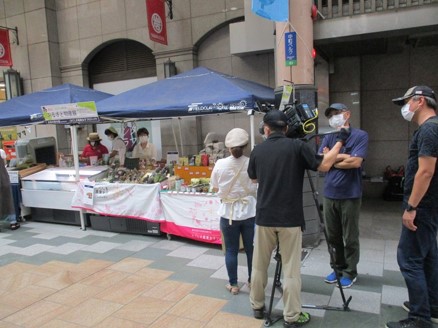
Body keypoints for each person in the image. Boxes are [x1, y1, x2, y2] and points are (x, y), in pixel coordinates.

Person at [247, 110, 350, 327]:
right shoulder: (297, 147)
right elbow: (324, 165)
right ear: (286, 129)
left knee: (258, 266)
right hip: (290, 219)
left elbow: (254, 178)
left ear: (266, 129)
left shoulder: (258, 150)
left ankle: (257, 307)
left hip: (265, 216)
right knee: (291, 270)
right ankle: (291, 317)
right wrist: (340, 141)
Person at [386, 86, 438, 328]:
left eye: (406, 102)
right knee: (428, 256)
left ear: (420, 101)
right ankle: (432, 304)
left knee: (409, 258)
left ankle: (419, 318)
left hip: (422, 207)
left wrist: (411, 207)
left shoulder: (429, 129)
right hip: (429, 206)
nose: (404, 108)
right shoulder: (430, 128)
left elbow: (425, 172)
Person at [319, 103, 369, 288]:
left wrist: (333, 158)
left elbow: (356, 162)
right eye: (330, 115)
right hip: (329, 193)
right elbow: (322, 163)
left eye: (336, 113)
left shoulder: (360, 135)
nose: (333, 117)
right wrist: (340, 157)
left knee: (350, 236)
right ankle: (337, 268)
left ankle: (350, 271)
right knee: (333, 236)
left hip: (350, 194)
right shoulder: (329, 136)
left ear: (347, 114)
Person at [210, 128, 257, 295]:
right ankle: (253, 281)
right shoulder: (252, 162)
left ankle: (234, 284)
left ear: (228, 147)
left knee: (231, 250)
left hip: (228, 212)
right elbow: (257, 184)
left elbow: (215, 185)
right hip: (249, 211)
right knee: (251, 249)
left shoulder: (220, 164)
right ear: (245, 145)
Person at [0, 155, 20, 231]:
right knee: (8, 201)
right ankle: (13, 223)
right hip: (4, 180)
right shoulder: (1, 152)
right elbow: (5, 164)